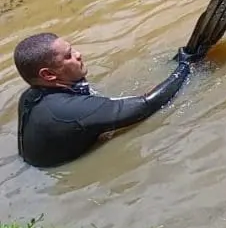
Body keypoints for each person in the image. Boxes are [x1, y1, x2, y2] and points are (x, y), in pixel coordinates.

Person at [14, 33, 195, 168]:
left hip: (38, 163)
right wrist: (185, 67)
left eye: (73, 49)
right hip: (64, 169)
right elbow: (147, 105)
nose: (78, 54)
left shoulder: (30, 96)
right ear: (48, 74)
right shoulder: (72, 111)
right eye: (68, 56)